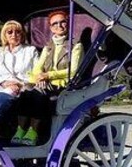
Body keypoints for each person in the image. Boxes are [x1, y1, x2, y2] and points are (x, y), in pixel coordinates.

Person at [11, 9, 83, 146]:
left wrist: (48, 76)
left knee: (37, 94)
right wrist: (38, 78)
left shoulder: (76, 45)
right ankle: (20, 130)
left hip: (63, 84)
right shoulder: (48, 46)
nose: (59, 26)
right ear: (50, 27)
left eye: (63, 22)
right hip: (45, 83)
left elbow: (73, 71)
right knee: (26, 91)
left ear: (68, 23)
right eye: (55, 24)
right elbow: (38, 67)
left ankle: (33, 132)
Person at [0, 20, 38, 121]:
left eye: (17, 32)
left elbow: (36, 72)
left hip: (23, 86)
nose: (14, 35)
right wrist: (4, 83)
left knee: (4, 97)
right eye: (10, 32)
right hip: (3, 84)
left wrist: (20, 84)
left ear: (22, 34)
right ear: (4, 35)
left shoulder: (30, 51)